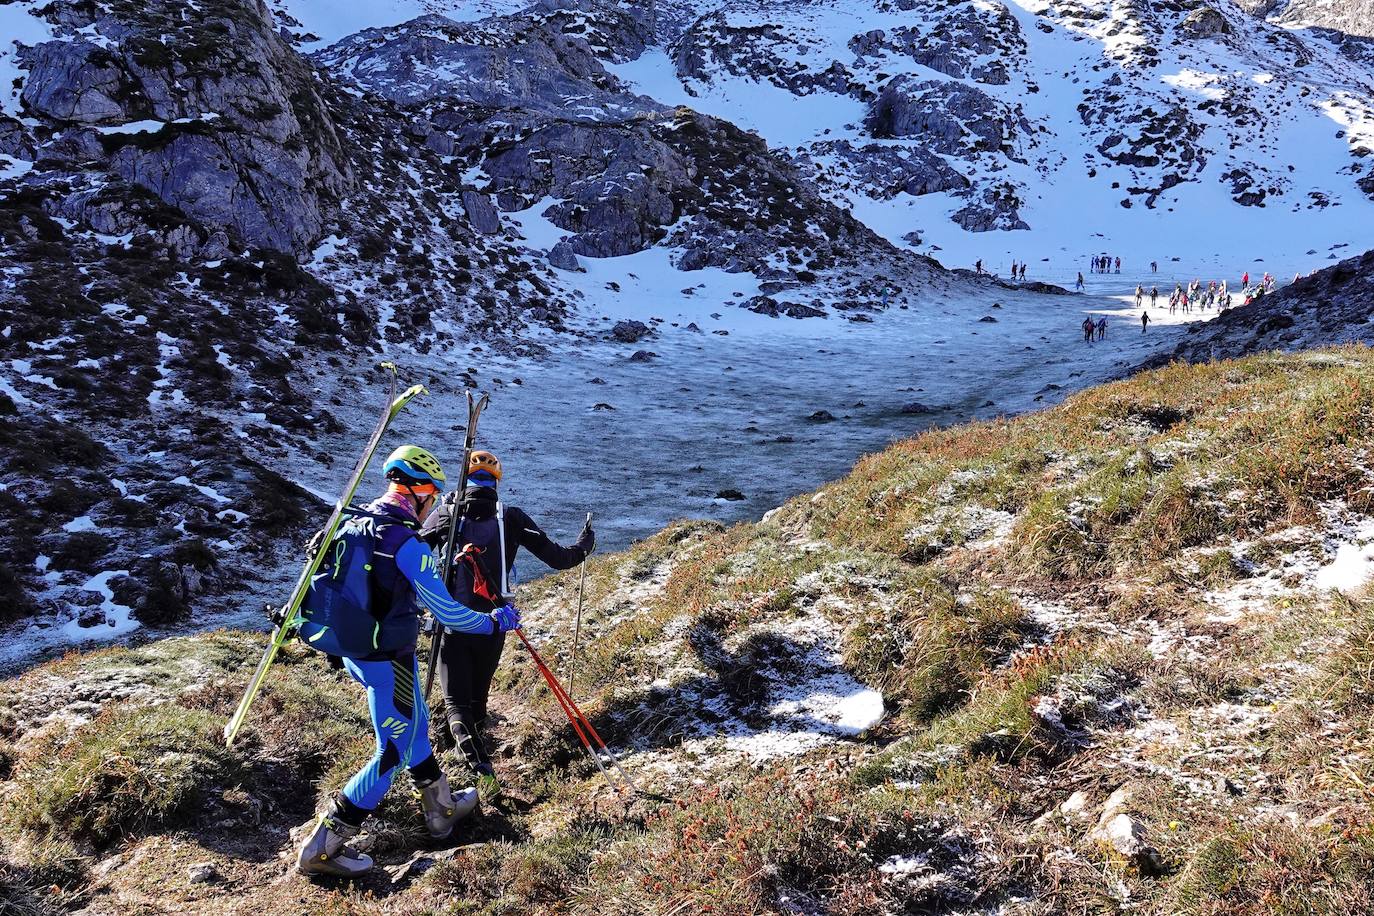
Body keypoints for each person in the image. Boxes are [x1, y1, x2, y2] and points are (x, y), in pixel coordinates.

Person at [296, 446, 523, 879]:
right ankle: (322, 848)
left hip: (355, 649)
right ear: (418, 492)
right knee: (393, 750)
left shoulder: (352, 522)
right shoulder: (405, 542)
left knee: (414, 725)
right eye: (432, 495)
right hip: (389, 658)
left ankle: (441, 810)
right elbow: (450, 614)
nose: (435, 503)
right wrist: (495, 621)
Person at [421, 450, 595, 797]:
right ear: (497, 480)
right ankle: (474, 757)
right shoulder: (511, 518)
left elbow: (409, 552)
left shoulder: (443, 515)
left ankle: (478, 770)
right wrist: (585, 543)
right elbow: (559, 558)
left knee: (455, 700)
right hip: (496, 622)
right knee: (477, 700)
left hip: (452, 622)